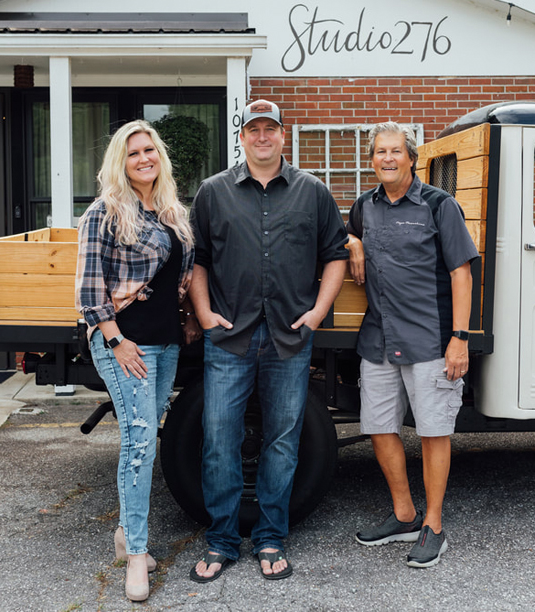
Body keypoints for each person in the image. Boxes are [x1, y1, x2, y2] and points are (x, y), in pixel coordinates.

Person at [188, 99, 348, 582]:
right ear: (242, 137)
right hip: (228, 338)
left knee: (282, 441)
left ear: (284, 135)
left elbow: (336, 254)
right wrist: (203, 312)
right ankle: (220, 541)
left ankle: (271, 537)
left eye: (270, 129)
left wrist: (319, 312)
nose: (262, 136)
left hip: (289, 339)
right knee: (219, 441)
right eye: (253, 129)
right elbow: (197, 259)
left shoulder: (312, 192)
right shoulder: (213, 192)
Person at [75, 119, 199, 601]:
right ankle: (136, 557)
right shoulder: (104, 213)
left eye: (149, 150)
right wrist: (115, 341)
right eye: (133, 153)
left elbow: (178, 276)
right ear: (119, 162)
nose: (143, 158)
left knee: (144, 434)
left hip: (166, 342)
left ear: (159, 156)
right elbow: (89, 289)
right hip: (127, 343)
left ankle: (128, 532)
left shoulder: (171, 212)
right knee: (141, 441)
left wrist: (188, 318)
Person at [347, 122, 479, 568]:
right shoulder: (364, 206)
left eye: (395, 151)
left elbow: (462, 272)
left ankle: (434, 526)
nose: (387, 158)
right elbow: (342, 235)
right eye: (380, 151)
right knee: (380, 427)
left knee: (432, 432)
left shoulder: (440, 206)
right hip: (379, 339)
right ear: (372, 160)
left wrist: (459, 339)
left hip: (429, 339)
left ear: (411, 158)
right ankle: (404, 514)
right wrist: (353, 241)